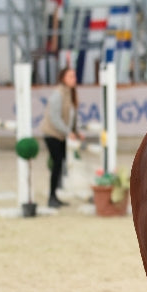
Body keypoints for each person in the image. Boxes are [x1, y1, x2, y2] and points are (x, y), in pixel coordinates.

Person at [39, 67, 84, 208]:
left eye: (74, 76)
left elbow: (71, 117)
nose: (74, 79)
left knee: (61, 164)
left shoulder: (71, 94)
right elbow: (54, 117)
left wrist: (76, 131)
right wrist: (67, 131)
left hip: (61, 135)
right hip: (52, 134)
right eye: (71, 76)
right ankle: (52, 196)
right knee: (57, 163)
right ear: (63, 78)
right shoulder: (57, 94)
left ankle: (55, 194)